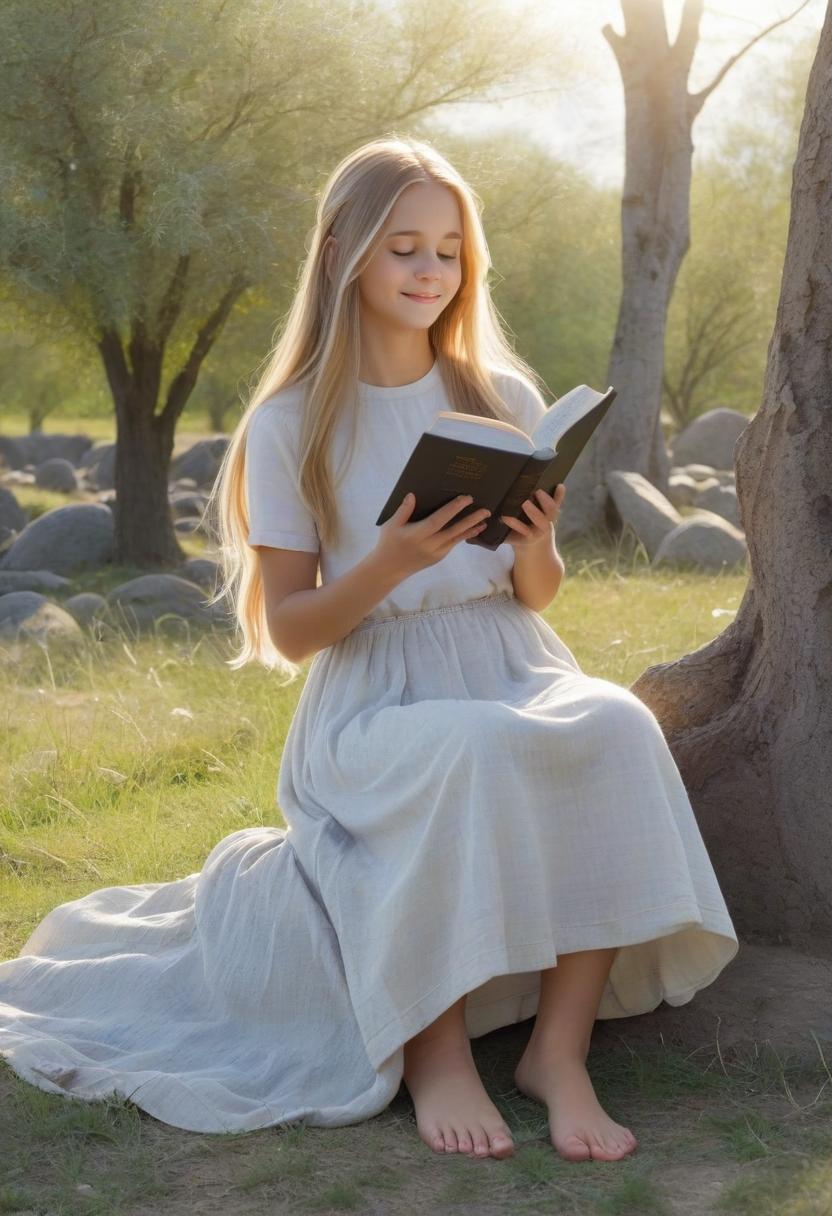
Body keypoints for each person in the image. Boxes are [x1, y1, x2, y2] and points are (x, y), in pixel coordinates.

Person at [0, 135, 738, 1163]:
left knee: (615, 721)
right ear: (343, 250)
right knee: (464, 753)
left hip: (515, 656)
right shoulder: (292, 422)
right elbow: (290, 631)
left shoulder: (500, 400)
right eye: (404, 249)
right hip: (371, 695)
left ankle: (556, 1051)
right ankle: (434, 1050)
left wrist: (534, 542)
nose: (429, 271)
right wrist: (389, 562)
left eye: (447, 251)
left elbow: (535, 591)